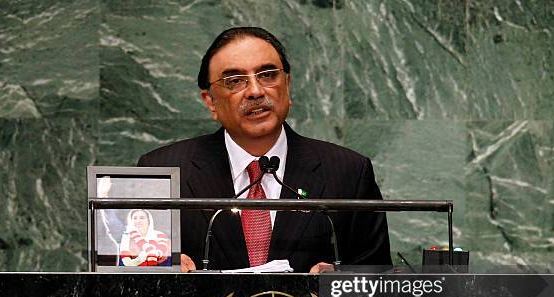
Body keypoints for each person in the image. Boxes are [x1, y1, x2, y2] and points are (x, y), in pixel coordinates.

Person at [138, 27, 391, 273]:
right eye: (235, 81)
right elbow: (126, 281)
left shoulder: (348, 172)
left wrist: (343, 281)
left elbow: (380, 289)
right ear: (210, 101)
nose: (256, 91)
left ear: (287, 85)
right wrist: (156, 270)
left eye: (268, 74)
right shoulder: (162, 172)